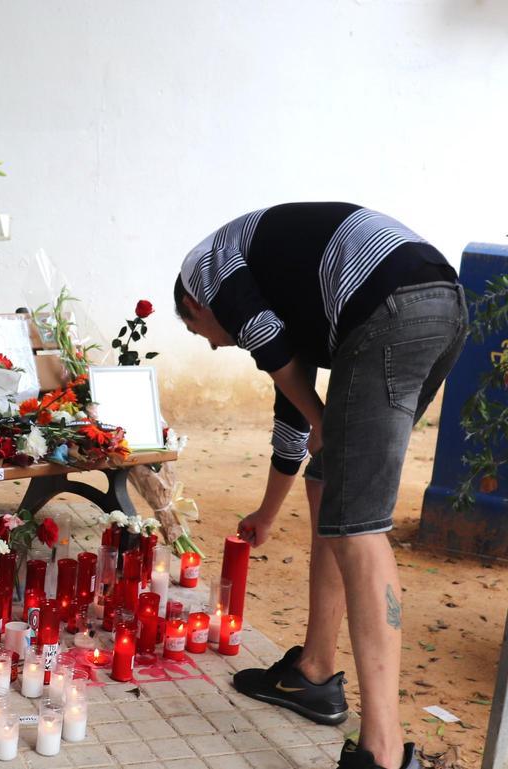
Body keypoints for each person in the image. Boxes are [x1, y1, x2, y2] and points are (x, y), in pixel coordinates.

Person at [173, 203, 467, 769]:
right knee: (331, 483)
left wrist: (319, 420)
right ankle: (313, 670)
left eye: (199, 332)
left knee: (359, 525)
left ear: (194, 306)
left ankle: (380, 752)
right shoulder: (284, 294)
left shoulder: (203, 270)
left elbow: (272, 354)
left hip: (390, 305)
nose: (211, 345)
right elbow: (292, 393)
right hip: (439, 304)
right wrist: (266, 512)